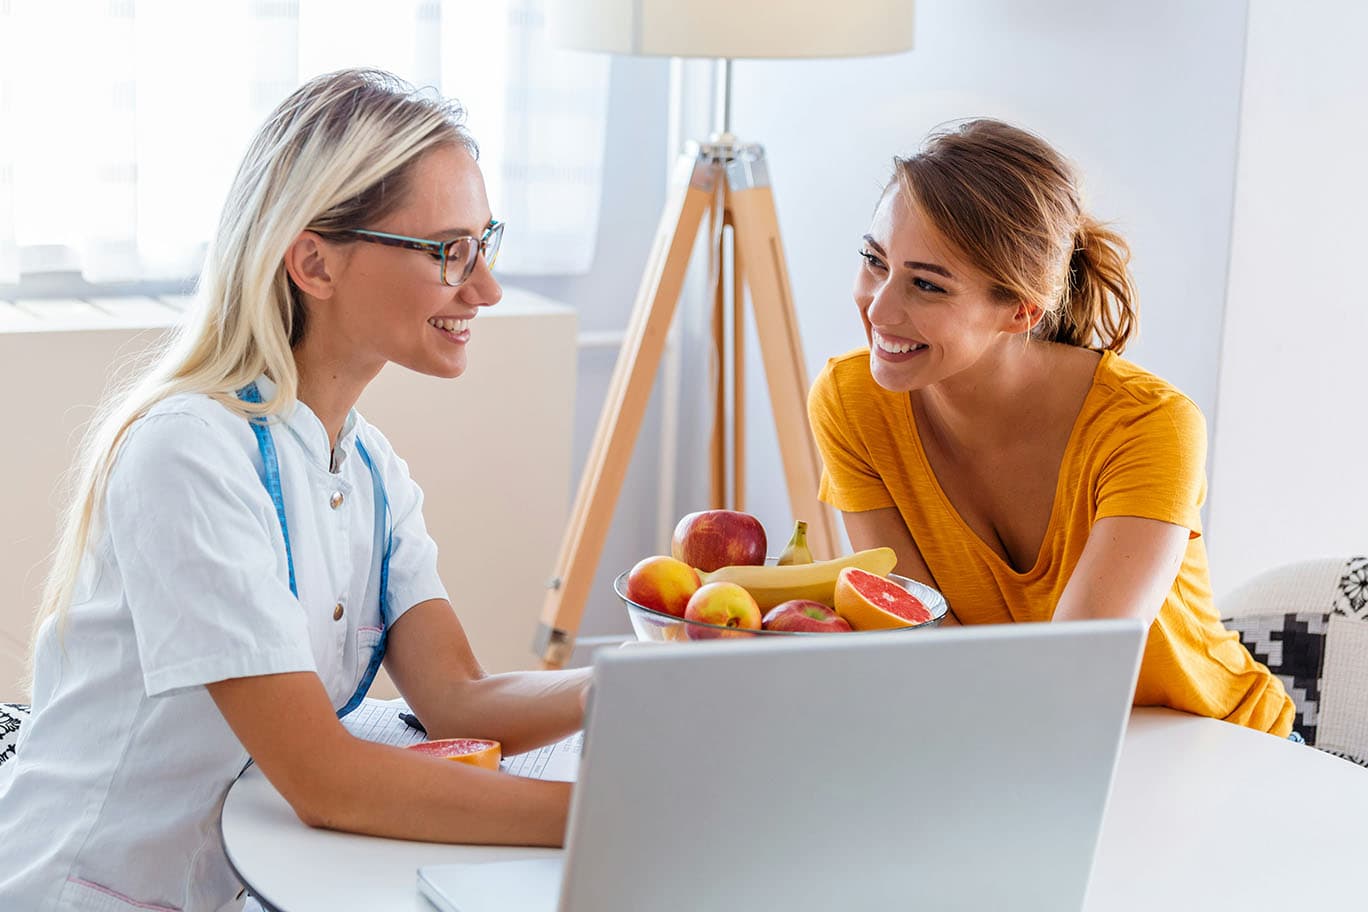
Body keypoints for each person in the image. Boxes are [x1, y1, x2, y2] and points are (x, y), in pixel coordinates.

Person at [0, 69, 590, 912]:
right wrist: (605, 818)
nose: (485, 287)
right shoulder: (189, 454)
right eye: (448, 251)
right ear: (314, 260)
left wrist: (637, 683)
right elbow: (327, 781)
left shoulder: (371, 467)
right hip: (79, 891)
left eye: (484, 241)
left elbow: (458, 699)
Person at [808, 118, 1294, 737]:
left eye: (926, 284)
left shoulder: (1149, 427)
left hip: (1218, 745)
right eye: (874, 261)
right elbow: (930, 647)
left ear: (1020, 309)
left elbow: (1072, 675)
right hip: (1031, 748)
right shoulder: (852, 402)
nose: (878, 309)